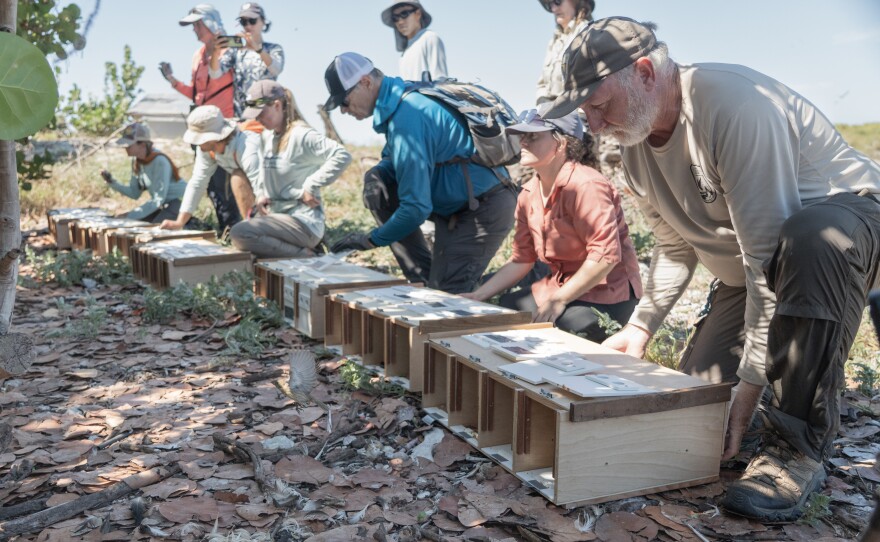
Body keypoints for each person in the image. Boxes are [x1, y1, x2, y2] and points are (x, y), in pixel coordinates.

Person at [544, 16, 880, 521]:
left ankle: (795, 449)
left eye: (598, 105)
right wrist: (639, 329)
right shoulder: (634, 147)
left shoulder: (734, 106)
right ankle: (762, 397)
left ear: (644, 72)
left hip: (844, 236)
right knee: (701, 410)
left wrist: (751, 385)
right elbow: (674, 246)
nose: (592, 125)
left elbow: (768, 256)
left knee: (811, 241)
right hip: (754, 271)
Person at [323, 52, 516, 294]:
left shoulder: (408, 115)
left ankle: (519, 281)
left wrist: (370, 239)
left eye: (344, 100)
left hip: (483, 208)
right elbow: (395, 158)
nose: (342, 110)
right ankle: (426, 283)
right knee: (382, 185)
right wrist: (377, 173)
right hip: (455, 208)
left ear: (365, 82)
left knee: (448, 300)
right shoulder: (402, 104)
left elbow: (416, 208)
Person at [462, 107, 641, 341]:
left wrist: (559, 300)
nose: (523, 142)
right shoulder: (528, 193)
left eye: (533, 136)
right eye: (522, 135)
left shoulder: (586, 185)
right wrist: (478, 295)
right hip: (559, 288)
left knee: (564, 329)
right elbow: (522, 259)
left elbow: (605, 258)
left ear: (561, 143)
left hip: (607, 293)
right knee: (507, 307)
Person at [229, 81, 352, 259]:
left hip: (303, 221)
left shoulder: (301, 135)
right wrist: (261, 193)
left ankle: (307, 256)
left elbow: (342, 155)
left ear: (277, 105)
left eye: (261, 113)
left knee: (240, 232)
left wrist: (311, 185)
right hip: (279, 217)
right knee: (249, 240)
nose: (257, 119)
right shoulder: (267, 136)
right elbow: (266, 173)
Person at [160, 4, 242, 232]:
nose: (194, 29)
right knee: (210, 184)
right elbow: (198, 94)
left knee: (229, 182)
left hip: (225, 127)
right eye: (193, 25)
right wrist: (173, 81)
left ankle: (239, 230)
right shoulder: (198, 55)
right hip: (202, 125)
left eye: (198, 24)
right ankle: (227, 230)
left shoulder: (230, 48)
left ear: (211, 23)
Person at [160, 105, 261, 232]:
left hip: (273, 185)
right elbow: (197, 183)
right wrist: (180, 222)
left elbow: (262, 189)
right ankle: (254, 230)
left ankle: (262, 230)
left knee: (237, 178)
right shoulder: (206, 148)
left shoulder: (247, 147)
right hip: (253, 182)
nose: (197, 144)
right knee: (237, 177)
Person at [100, 123, 187, 224]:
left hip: (179, 204)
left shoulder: (159, 161)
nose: (125, 148)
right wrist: (112, 182)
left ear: (142, 144)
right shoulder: (137, 162)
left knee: (154, 230)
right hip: (163, 204)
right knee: (132, 223)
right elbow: (134, 193)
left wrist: (129, 215)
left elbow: (158, 200)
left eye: (129, 145)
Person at [210, 2, 284, 118]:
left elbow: (276, 69)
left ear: (263, 21)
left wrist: (257, 49)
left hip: (267, 116)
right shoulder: (235, 51)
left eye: (252, 21)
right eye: (244, 22)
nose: (248, 26)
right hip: (241, 117)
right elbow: (215, 74)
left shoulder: (274, 49)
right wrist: (215, 52)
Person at [535, 0, 595, 105]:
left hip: (576, 113)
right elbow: (542, 85)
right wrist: (542, 108)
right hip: (551, 112)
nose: (554, 9)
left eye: (557, 1)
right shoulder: (554, 42)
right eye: (550, 5)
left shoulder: (588, 33)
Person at [380, 1, 447, 82]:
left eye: (404, 14)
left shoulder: (429, 38)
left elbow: (440, 81)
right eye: (395, 18)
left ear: (418, 13)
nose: (400, 22)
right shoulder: (404, 53)